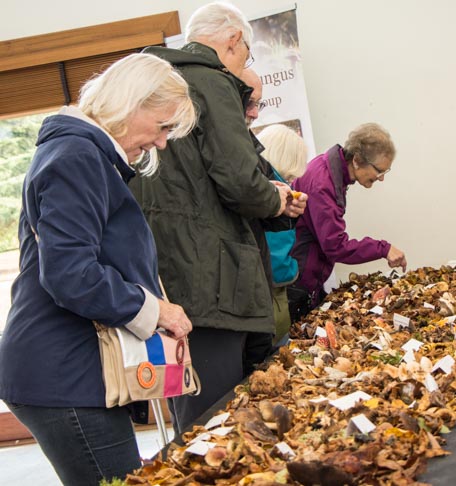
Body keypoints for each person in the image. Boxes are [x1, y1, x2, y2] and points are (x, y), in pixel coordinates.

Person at [0, 53, 196, 486]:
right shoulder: (77, 156)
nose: (163, 142)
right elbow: (70, 273)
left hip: (67, 365)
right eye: (163, 126)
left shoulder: (80, 153)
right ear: (132, 103)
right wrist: (156, 310)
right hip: (61, 370)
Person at [131, 2, 300, 437]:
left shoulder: (157, 82)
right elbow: (240, 180)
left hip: (170, 275)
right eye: (246, 53)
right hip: (214, 280)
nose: (244, 61)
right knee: (219, 417)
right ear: (232, 41)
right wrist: (275, 201)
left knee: (194, 413)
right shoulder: (210, 81)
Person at [289, 122, 407, 322]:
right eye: (379, 171)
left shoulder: (330, 171)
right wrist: (383, 249)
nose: (380, 179)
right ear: (358, 160)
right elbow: (335, 246)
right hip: (298, 283)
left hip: (307, 278)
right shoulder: (322, 183)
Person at [256, 124, 308, 344]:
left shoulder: (255, 186)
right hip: (271, 298)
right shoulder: (279, 195)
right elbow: (277, 262)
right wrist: (294, 269)